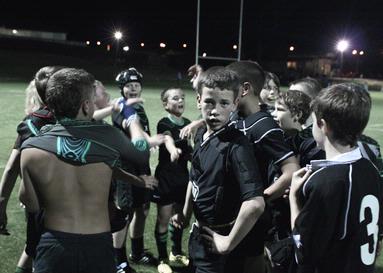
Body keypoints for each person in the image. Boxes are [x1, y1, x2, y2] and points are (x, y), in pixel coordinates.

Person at [19, 68, 156, 273]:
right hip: (97, 244)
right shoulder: (107, 137)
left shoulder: (30, 149)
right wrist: (134, 123)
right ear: (85, 106)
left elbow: (30, 203)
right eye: (92, 101)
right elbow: (141, 153)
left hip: (53, 244)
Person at [182, 61, 299, 273]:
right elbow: (215, 107)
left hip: (248, 214)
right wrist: (198, 123)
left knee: (248, 262)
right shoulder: (237, 119)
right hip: (225, 214)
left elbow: (291, 169)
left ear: (242, 91)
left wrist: (261, 196)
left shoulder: (262, 125)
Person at [173, 66, 265, 273]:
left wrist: (228, 243)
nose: (215, 110)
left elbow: (255, 204)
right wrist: (186, 215)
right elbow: (195, 178)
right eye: (209, 102)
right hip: (199, 234)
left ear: (235, 103)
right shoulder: (200, 135)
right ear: (198, 101)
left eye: (224, 103)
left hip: (217, 241)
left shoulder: (237, 146)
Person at [289, 83, 382, 273]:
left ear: (323, 125)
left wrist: (293, 198)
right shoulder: (371, 169)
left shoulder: (326, 182)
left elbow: (303, 251)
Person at [0, 66, 64, 273]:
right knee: (47, 255)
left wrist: (1, 207)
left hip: (35, 201)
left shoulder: (31, 122)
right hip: (66, 203)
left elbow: (11, 169)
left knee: (34, 247)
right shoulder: (75, 120)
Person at [112, 67, 160, 272]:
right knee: (124, 212)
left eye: (136, 85)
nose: (133, 89)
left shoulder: (139, 108)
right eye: (128, 86)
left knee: (143, 209)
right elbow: (132, 131)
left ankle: (137, 253)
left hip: (142, 165)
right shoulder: (118, 108)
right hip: (126, 167)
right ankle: (118, 262)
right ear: (122, 89)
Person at [153, 87, 192, 273]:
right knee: (163, 218)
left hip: (183, 178)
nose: (180, 100)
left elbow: (191, 151)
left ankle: (175, 252)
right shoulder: (163, 123)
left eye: (182, 97)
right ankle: (162, 259)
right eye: (175, 98)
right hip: (166, 178)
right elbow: (167, 138)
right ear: (166, 104)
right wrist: (172, 150)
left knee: (180, 218)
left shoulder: (188, 123)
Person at [272, 90, 325, 167]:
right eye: (274, 109)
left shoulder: (309, 146)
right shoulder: (275, 138)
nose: (273, 114)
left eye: (279, 109)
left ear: (297, 115)